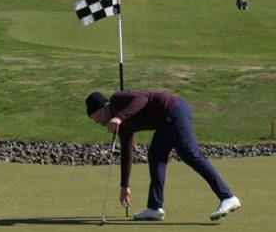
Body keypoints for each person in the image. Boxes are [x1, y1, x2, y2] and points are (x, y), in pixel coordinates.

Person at [85, 91, 241, 221]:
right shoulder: (122, 126)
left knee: (190, 155)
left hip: (175, 110)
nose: (96, 123)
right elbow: (126, 153)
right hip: (163, 122)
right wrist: (124, 186)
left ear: (98, 110)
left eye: (93, 118)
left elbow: (141, 99)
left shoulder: (116, 100)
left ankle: (227, 197)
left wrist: (119, 116)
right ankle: (155, 208)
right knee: (155, 156)